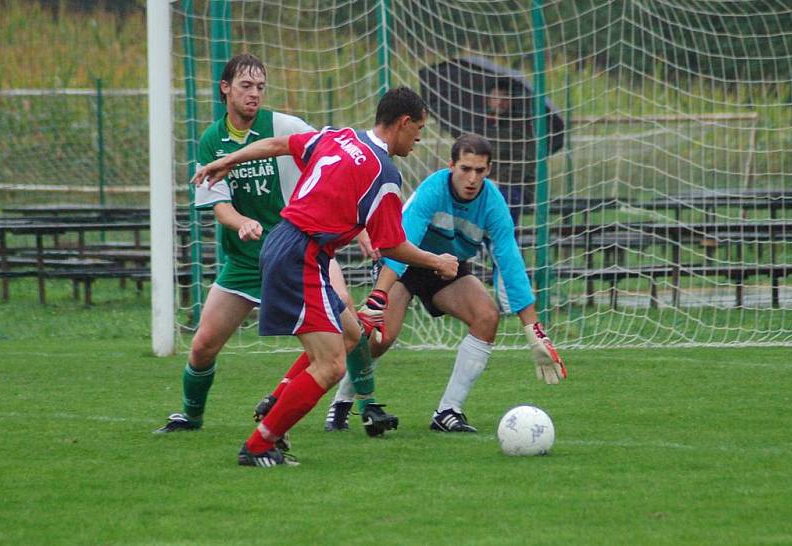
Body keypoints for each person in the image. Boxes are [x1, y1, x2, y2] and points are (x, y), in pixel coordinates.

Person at [191, 86, 460, 468]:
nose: (419, 139)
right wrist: (438, 262)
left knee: (352, 335)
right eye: (418, 129)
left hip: (291, 246)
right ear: (402, 123)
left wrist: (230, 159)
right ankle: (259, 445)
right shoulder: (384, 173)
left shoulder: (339, 136)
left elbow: (277, 144)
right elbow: (393, 245)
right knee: (331, 365)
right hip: (300, 254)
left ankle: (277, 403)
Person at [155, 53, 359, 434]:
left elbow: (332, 158)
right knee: (202, 347)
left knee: (347, 320)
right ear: (226, 88)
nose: (254, 94)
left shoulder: (281, 126)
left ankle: (356, 405)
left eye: (260, 87)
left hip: (294, 252)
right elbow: (220, 207)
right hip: (245, 263)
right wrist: (243, 222)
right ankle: (191, 416)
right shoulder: (211, 141)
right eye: (246, 86)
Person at [325, 133, 566, 434]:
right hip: (403, 261)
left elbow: (510, 262)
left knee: (486, 316)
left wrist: (533, 330)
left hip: (447, 267)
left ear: (489, 171)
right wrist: (378, 297)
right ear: (451, 165)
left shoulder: (493, 203)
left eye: (479, 171)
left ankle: (448, 411)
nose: (471, 178)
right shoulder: (433, 190)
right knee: (381, 337)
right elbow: (403, 244)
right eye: (465, 168)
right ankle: (343, 401)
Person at [483, 83, 536, 226]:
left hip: (516, 187)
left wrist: (499, 181)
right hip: (486, 184)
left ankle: (506, 243)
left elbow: (526, 163)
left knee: (505, 199)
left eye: (504, 97)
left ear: (512, 100)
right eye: (495, 97)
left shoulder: (523, 126)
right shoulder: (482, 125)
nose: (499, 102)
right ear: (489, 99)